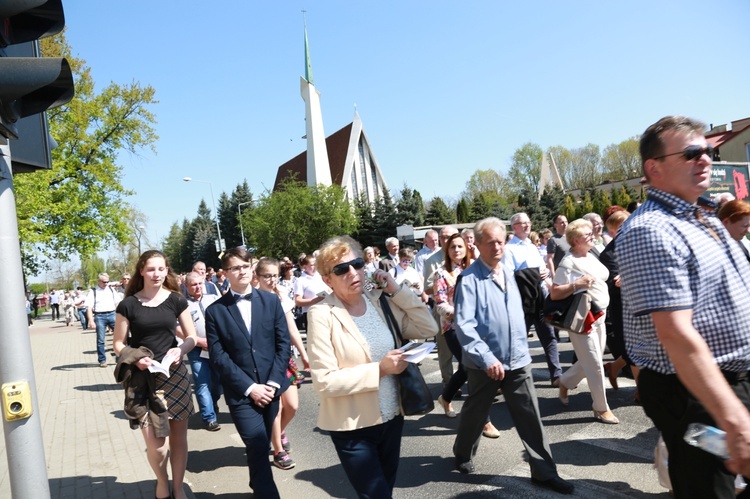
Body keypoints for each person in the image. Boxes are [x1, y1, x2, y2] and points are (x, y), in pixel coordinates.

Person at [618, 116, 750, 498]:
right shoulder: (650, 230)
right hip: (695, 397)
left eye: (708, 151)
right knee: (709, 490)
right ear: (653, 168)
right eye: (692, 153)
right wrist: (733, 417)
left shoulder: (704, 216)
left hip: (730, 380)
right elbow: (676, 334)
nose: (705, 159)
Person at [307, 235, 437, 498]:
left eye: (356, 264)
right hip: (353, 427)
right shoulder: (321, 314)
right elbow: (325, 381)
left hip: (392, 416)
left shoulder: (379, 300)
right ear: (327, 280)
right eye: (341, 269)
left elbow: (429, 327)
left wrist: (397, 291)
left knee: (385, 489)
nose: (352, 272)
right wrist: (381, 369)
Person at [452, 217, 574, 495]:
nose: (497, 246)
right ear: (479, 246)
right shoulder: (469, 279)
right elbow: (465, 325)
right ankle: (462, 453)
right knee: (476, 412)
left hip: (517, 360)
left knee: (530, 415)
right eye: (490, 242)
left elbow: (516, 317)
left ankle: (544, 472)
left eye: (500, 241)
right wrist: (487, 358)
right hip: (485, 364)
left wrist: (522, 351)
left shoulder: (508, 270)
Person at [205, 247, 291, 498]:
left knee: (261, 446)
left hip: (271, 388)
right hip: (241, 392)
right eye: (234, 268)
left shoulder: (271, 301)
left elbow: (282, 345)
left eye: (245, 266)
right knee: (255, 442)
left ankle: (258, 483)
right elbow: (219, 357)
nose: (241, 271)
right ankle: (268, 493)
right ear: (225, 273)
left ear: (251, 267)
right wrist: (251, 388)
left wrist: (273, 383)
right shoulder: (215, 310)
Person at [113, 250, 198, 499]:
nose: (157, 274)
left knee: (179, 438)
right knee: (157, 446)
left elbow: (191, 336)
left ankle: (178, 486)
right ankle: (162, 481)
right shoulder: (128, 304)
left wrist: (180, 350)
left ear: (166, 270)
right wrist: (136, 357)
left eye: (161, 269)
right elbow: (118, 343)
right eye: (151, 269)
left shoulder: (176, 300)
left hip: (175, 378)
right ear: (141, 271)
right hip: (143, 381)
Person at [551, 219, 619, 424]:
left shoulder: (592, 254)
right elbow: (554, 293)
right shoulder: (569, 262)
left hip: (601, 315)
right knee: (595, 364)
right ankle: (600, 407)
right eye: (586, 234)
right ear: (575, 240)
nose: (592, 235)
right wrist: (576, 284)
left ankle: (564, 381)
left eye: (591, 233)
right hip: (583, 319)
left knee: (591, 359)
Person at [255, 257, 310, 471]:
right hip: (264, 362)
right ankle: (278, 451)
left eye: (275, 275)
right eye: (267, 276)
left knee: (293, 406)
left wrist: (304, 354)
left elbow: (292, 328)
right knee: (275, 408)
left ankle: (277, 433)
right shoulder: (252, 300)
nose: (272, 280)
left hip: (285, 358)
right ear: (257, 277)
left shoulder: (281, 297)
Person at [504, 212, 562, 386]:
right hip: (522, 301)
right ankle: (509, 379)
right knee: (517, 341)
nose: (527, 225)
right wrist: (535, 273)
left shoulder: (531, 246)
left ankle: (557, 375)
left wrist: (545, 276)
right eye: (522, 223)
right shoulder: (509, 249)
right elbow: (508, 276)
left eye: (528, 222)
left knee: (549, 337)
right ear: (514, 227)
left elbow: (542, 269)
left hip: (540, 297)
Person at [599, 209, 640, 400]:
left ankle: (614, 367)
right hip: (623, 307)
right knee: (633, 348)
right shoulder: (609, 254)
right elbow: (613, 284)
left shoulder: (639, 245)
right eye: (624, 226)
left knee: (641, 347)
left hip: (642, 302)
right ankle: (642, 392)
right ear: (614, 231)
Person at [181, 272, 222, 432]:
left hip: (217, 349)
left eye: (200, 283)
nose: (197, 287)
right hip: (196, 350)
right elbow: (178, 328)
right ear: (186, 286)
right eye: (193, 284)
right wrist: (199, 341)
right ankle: (209, 418)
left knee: (218, 384)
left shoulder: (213, 299)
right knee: (202, 382)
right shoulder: (183, 304)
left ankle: (213, 401)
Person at [423, 225, 460, 390]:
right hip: (443, 310)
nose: (445, 240)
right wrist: (444, 284)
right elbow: (427, 288)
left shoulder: (463, 256)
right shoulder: (432, 260)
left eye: (449, 237)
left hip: (465, 310)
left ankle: (468, 379)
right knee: (445, 351)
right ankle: (449, 383)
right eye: (442, 237)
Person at [85, 273, 121, 367]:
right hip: (100, 316)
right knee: (101, 340)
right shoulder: (93, 292)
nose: (106, 284)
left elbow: (117, 303)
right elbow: (89, 307)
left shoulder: (111, 289)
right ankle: (102, 360)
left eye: (107, 282)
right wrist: (91, 321)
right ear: (99, 281)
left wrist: (120, 316)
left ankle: (119, 358)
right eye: (104, 282)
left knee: (119, 337)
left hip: (112, 314)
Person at [293, 254, 328, 332]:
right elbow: (298, 301)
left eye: (316, 264)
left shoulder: (321, 277)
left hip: (326, 312)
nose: (315, 267)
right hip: (311, 314)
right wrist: (316, 300)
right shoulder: (300, 281)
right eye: (312, 265)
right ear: (305, 267)